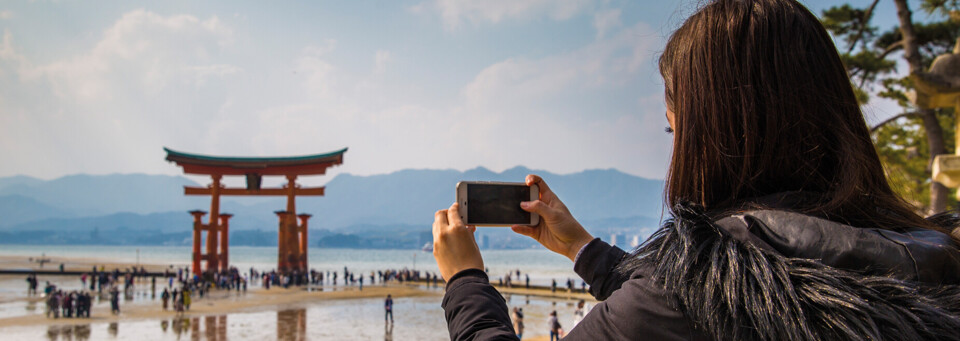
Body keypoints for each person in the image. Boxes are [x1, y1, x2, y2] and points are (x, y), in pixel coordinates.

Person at [431, 0, 960, 340]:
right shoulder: (930, 253)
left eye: (673, 129)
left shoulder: (687, 296)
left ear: (713, 136)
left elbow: (680, 302)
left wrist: (465, 280)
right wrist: (583, 250)